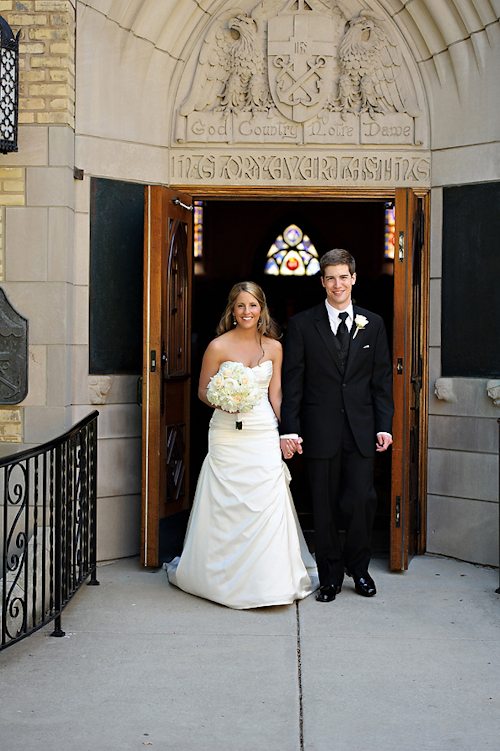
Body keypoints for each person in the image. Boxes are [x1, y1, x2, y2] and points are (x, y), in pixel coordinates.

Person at [166, 281, 318, 609]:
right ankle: (220, 578)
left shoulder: (274, 347)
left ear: (262, 309)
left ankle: (268, 580)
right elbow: (202, 390)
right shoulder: (217, 347)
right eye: (240, 306)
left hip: (262, 430)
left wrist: (287, 432)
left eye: (253, 305)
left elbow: (276, 394)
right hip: (225, 432)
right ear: (232, 311)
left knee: (265, 500)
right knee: (225, 502)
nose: (247, 312)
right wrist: (222, 401)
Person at [280, 249, 394, 603]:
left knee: (361, 501)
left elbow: (381, 381)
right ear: (322, 282)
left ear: (354, 278)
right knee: (324, 504)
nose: (337, 284)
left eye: (343, 276)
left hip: (361, 430)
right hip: (319, 430)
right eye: (330, 277)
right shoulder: (302, 324)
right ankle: (329, 576)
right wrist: (290, 428)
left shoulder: (373, 323)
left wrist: (384, 425)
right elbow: (293, 381)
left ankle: (359, 570)